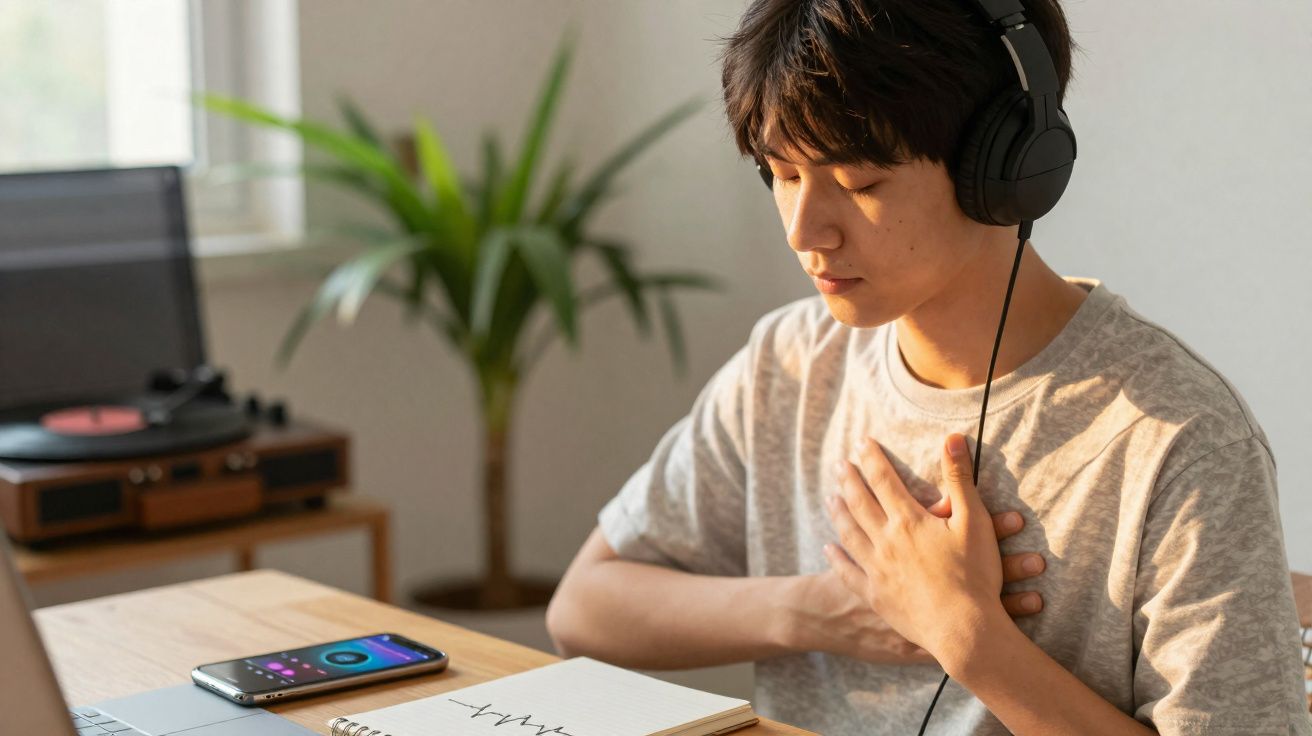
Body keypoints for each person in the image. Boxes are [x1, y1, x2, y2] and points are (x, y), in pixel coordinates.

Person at [544, 1, 1312, 734]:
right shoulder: (791, 365)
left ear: (1006, 167)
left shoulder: (1180, 438)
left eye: (859, 183)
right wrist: (820, 610)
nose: (805, 231)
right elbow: (583, 609)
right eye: (781, 174)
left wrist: (968, 638)